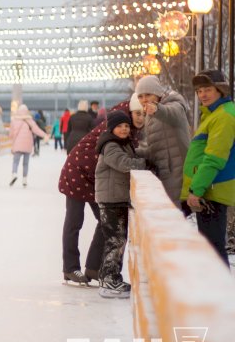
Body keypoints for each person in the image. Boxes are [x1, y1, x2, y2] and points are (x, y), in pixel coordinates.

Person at [59, 95, 145, 285]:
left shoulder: (128, 128)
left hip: (95, 178)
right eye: (138, 113)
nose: (141, 118)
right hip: (78, 171)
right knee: (75, 220)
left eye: (144, 114)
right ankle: (70, 268)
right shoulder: (118, 125)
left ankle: (93, 267)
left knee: (103, 221)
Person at [181, 70, 234, 264]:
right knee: (210, 247)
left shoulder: (224, 116)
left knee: (212, 248)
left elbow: (214, 158)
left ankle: (220, 292)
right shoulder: (214, 115)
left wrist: (197, 189)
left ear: (220, 90)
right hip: (208, 188)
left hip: (212, 188)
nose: (202, 94)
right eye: (199, 91)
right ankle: (216, 291)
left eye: (208, 89)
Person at [94, 110, 147, 298]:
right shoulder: (110, 145)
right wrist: (145, 164)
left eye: (126, 126)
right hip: (110, 200)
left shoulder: (122, 144)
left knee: (118, 239)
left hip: (117, 198)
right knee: (115, 240)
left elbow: (133, 154)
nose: (124, 129)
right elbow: (123, 163)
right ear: (112, 128)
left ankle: (109, 276)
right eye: (120, 126)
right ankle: (109, 280)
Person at [135, 75, 191, 207]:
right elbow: (156, 148)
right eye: (140, 96)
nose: (144, 100)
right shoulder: (150, 115)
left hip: (177, 169)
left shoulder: (173, 104)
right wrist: (136, 152)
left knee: (174, 212)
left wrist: (157, 109)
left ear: (157, 93)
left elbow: (173, 113)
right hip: (164, 169)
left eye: (148, 94)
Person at [8, 104, 49, 187]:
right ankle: (24, 180)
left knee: (16, 161)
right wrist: (45, 135)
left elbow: (11, 134)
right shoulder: (30, 121)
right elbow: (37, 130)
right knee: (25, 163)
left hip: (17, 145)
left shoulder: (14, 121)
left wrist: (11, 138)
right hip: (27, 145)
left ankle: (14, 174)